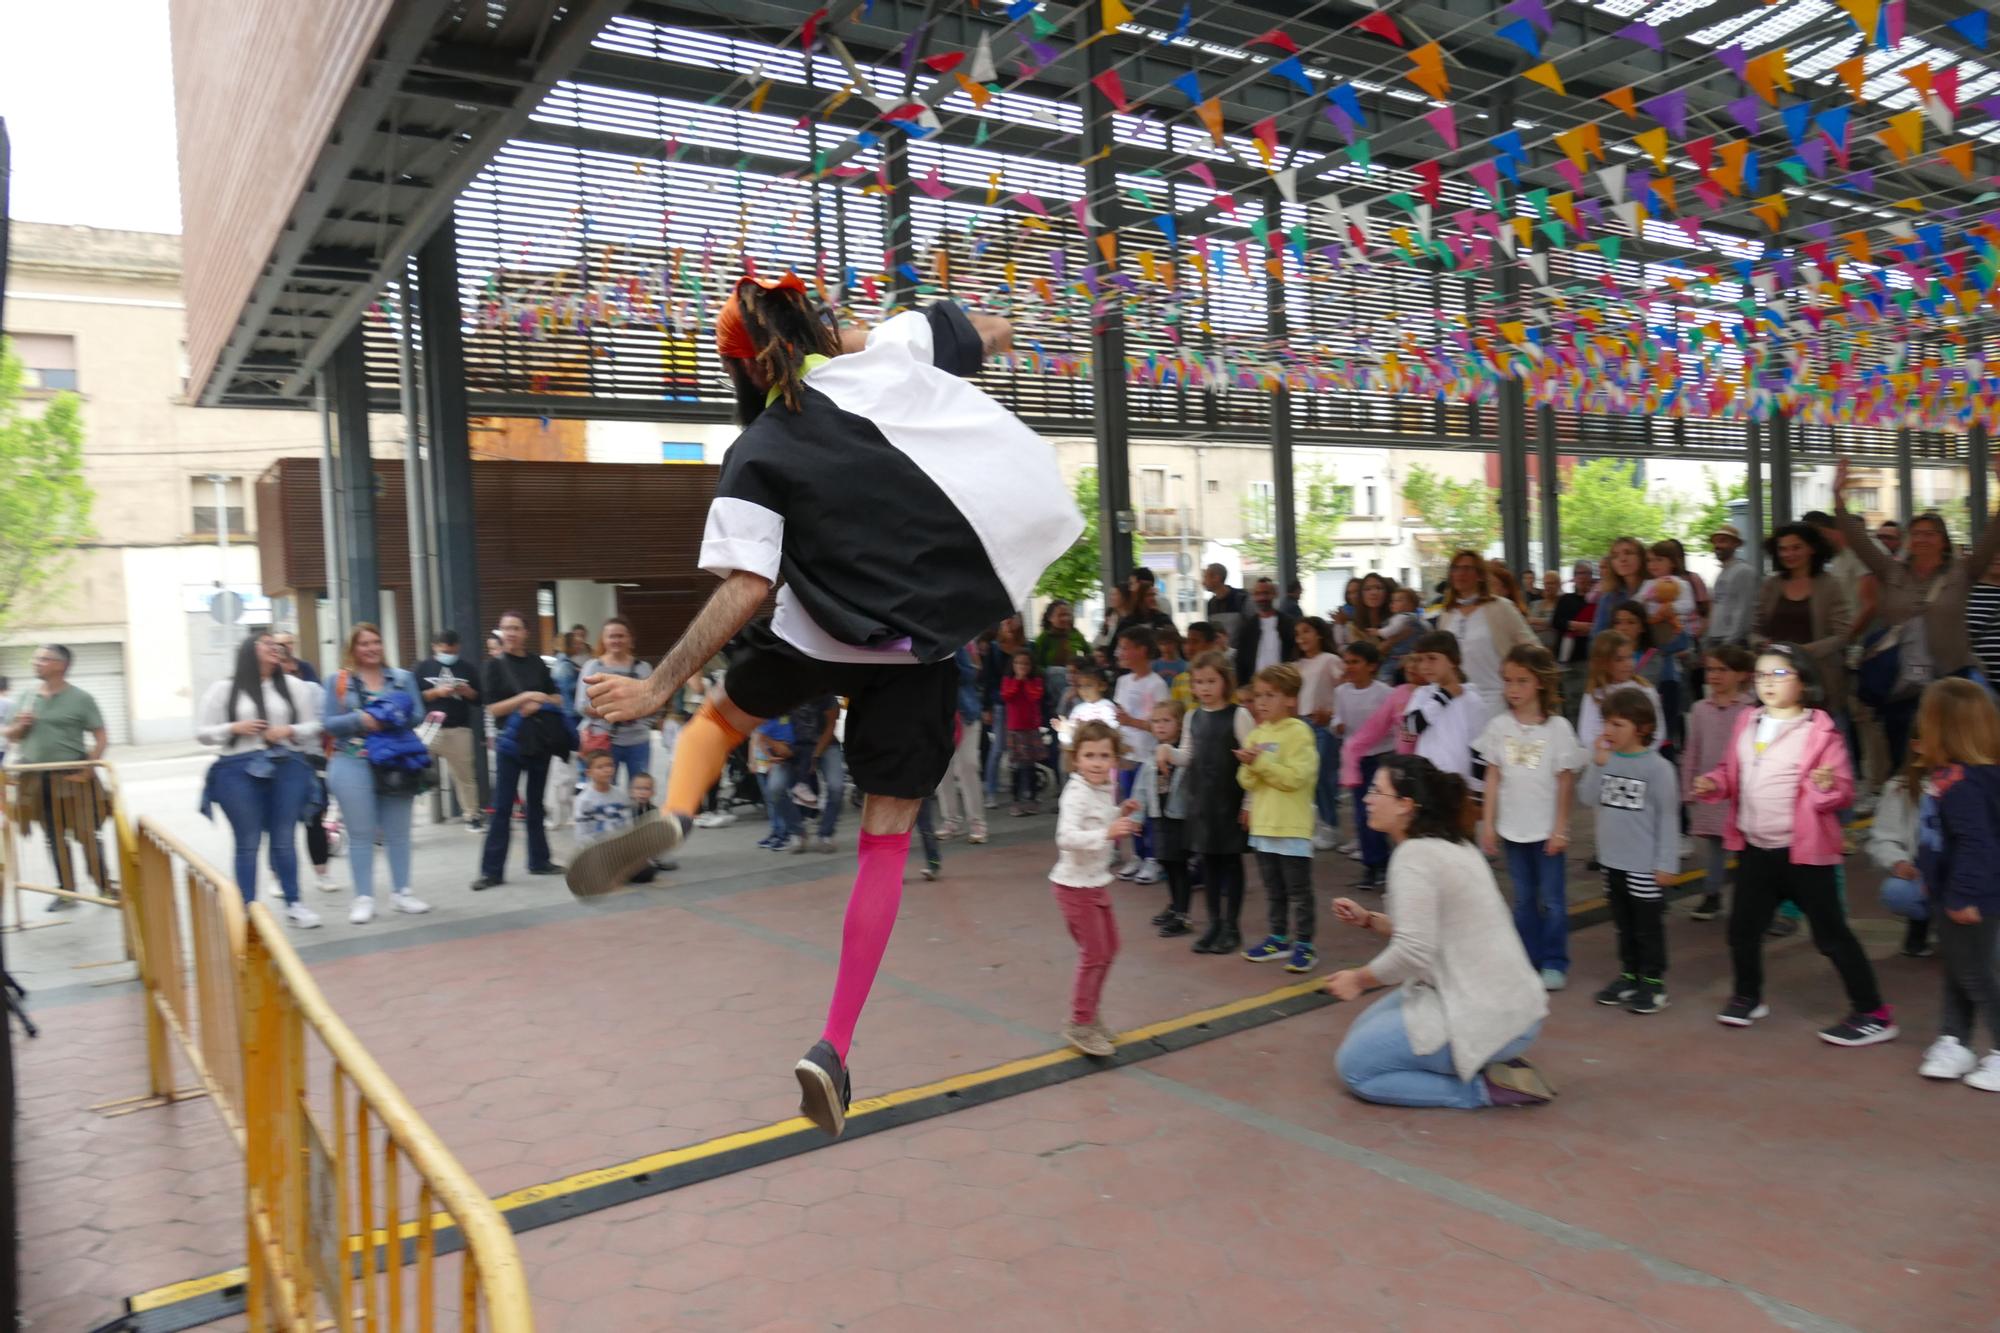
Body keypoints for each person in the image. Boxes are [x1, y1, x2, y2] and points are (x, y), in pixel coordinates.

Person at [578, 273, 1078, 1137]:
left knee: (716, 722)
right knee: (883, 845)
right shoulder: (893, 354)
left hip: (814, 631)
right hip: (916, 641)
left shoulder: (761, 447)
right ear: (817, 328)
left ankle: (679, 814)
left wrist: (658, 684)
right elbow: (987, 330)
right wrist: (989, 331)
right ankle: (834, 1044)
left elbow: (747, 584)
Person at [1692, 644, 1896, 1045]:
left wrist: (1826, 787)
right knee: (1742, 930)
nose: (1768, 682)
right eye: (1762, 675)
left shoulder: (1819, 731)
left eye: (1779, 674)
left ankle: (1874, 1012)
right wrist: (1715, 783)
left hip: (1804, 854)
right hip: (1755, 850)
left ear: (1803, 682)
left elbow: (1842, 790)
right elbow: (1730, 771)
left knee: (1831, 935)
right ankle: (1748, 996)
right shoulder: (1747, 722)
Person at [1326, 756, 1554, 1109]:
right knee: (1362, 1036)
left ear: (1405, 806)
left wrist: (1358, 979)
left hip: (1485, 1010)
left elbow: (1413, 952)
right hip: (1507, 1005)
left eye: (1376, 791)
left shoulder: (1414, 857)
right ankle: (1487, 1062)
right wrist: (1370, 919)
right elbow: (1426, 933)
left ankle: (1484, 1089)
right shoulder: (1452, 845)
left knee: (1355, 1068)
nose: (1367, 798)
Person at [1836, 458, 2000, 767]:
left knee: (1960, 753)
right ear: (1909, 541)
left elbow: (1993, 536)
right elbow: (1858, 543)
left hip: (1953, 679)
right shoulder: (1891, 571)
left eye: (1930, 533)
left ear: (1943, 542)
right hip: (1903, 684)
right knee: (1906, 755)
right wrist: (1839, 500)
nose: (1922, 538)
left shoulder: (1963, 572)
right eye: (1917, 533)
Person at [1905, 679, 2000, 1089]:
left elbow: (1977, 844)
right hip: (1952, 891)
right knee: (1959, 969)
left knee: (1976, 973)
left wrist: (1962, 893)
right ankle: (1955, 1040)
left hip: (1969, 896)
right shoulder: (1954, 778)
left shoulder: (1963, 786)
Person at [1476, 645, 1587, 993]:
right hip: (1513, 830)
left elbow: (1565, 781)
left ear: (1540, 683)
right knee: (1523, 899)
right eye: (1508, 681)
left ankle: (1554, 961)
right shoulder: (1498, 727)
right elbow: (1492, 777)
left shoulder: (1558, 729)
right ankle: (1527, 957)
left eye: (1522, 681)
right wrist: (1488, 823)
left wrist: (1560, 828)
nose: (1513, 689)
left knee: (1552, 900)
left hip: (1545, 832)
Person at [196, 632, 324, 923]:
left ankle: (294, 903)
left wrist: (289, 731)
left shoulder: (294, 686)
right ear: (248, 650)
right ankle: (247, 909)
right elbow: (202, 732)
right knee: (248, 840)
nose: (275, 649)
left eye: (277, 646)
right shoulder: (223, 689)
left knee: (284, 837)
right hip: (237, 769)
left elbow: (314, 726)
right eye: (267, 643)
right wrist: (234, 727)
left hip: (286, 765)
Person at [322, 625, 433, 924]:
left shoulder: (402, 678)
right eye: (364, 643)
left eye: (376, 642)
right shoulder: (339, 681)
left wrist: (390, 716)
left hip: (396, 760)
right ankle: (363, 898)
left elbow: (417, 715)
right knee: (361, 834)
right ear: (353, 648)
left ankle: (402, 893)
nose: (371, 648)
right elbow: (329, 723)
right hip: (350, 762)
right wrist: (361, 719)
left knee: (399, 833)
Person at [1581, 689, 1680, 1015]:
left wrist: (1666, 862)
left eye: (1618, 724)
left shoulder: (1658, 769)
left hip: (1643, 865)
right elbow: (1587, 797)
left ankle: (1653, 983)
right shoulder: (1607, 761)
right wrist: (1597, 765)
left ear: (1642, 727)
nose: (1608, 731)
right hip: (1613, 862)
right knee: (1623, 924)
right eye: (1606, 723)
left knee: (1647, 926)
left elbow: (1668, 817)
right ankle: (1629, 975)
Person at [1050, 720, 1139, 1058]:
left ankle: (1089, 1014)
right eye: (1089, 755)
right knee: (1094, 954)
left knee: (1110, 948)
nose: (1097, 762)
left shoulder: (1101, 789)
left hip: (1094, 882)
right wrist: (1108, 832)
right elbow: (1066, 837)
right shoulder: (1076, 792)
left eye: (1104, 755)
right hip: (1074, 887)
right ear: (1076, 760)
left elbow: (1100, 821)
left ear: (1114, 759)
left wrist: (1121, 812)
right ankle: (1079, 1022)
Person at [5, 645, 111, 908]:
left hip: (72, 775)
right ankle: (67, 891)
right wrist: (20, 726)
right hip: (35, 777)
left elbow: (100, 735)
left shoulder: (81, 698)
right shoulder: (26, 696)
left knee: (87, 833)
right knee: (53, 837)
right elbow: (12, 735)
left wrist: (90, 767)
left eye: (43, 659)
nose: (36, 662)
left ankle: (105, 888)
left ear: (60, 666)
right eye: (36, 658)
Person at [473, 610, 568, 891]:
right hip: (510, 744)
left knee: (536, 804)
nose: (511, 633)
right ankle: (491, 871)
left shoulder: (538, 663)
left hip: (539, 741)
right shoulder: (493, 667)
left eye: (516, 628)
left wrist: (540, 702)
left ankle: (539, 860)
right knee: (502, 806)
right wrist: (525, 697)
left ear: (526, 633)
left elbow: (558, 698)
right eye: (506, 629)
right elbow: (492, 708)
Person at [1236, 663, 1320, 973]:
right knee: (1274, 889)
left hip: (1292, 826)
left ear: (1290, 699)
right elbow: (1247, 782)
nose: (1262, 702)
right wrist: (1249, 764)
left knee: (1299, 891)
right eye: (1258, 695)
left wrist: (1261, 762)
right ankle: (1278, 938)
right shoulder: (1258, 733)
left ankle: (1306, 945)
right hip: (1263, 824)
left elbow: (1295, 778)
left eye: (1271, 695)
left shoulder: (1300, 733)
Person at [1176, 651, 1253, 954]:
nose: (1205, 688)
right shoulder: (1192, 716)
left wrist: (1249, 802)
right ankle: (1214, 924)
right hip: (1202, 802)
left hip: (1230, 799)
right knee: (1207, 863)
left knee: (1231, 862)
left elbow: (1251, 761)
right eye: (1199, 682)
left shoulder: (1239, 715)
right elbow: (1188, 755)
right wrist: (1167, 754)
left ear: (1225, 681)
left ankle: (1232, 926)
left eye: (1211, 681)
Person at [1682, 645, 1755, 921]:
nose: (1714, 675)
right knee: (1715, 845)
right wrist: (1688, 786)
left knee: (1746, 847)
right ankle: (1712, 894)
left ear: (1741, 675)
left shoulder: (1750, 709)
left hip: (1742, 790)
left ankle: (1750, 899)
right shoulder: (1700, 709)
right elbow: (1692, 749)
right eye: (1711, 669)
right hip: (1710, 788)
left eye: (1722, 670)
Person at [1753, 522, 1854, 723]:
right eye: (1783, 549)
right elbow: (1754, 630)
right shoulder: (1771, 585)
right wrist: (1762, 644)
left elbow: (1842, 634)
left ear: (1812, 548)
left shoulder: (1830, 584)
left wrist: (1804, 651)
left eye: (1796, 547)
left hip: (1820, 679)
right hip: (1777, 681)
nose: (1789, 554)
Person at [1435, 550, 1537, 710]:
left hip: (1494, 698)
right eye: (1456, 568)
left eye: (1467, 568)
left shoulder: (1501, 607)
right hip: (1457, 699)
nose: (1461, 573)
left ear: (1480, 575)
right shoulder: (1447, 613)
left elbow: (1532, 647)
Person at [1111, 626, 1170, 883]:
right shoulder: (1123, 681)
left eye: (1125, 647)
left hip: (1147, 757)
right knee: (1130, 807)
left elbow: (1162, 725)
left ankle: (1154, 858)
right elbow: (1117, 718)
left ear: (1141, 650)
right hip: (1126, 755)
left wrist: (1132, 721)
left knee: (1148, 808)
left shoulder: (1156, 685)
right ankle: (1136, 855)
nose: (1120, 653)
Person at [1399, 631, 1493, 792]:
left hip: (1459, 787)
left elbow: (1480, 750)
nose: (1424, 666)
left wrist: (1478, 793)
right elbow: (1410, 728)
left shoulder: (1472, 700)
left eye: (1432, 658)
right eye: (1420, 659)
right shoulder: (1422, 695)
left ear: (1453, 661)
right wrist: (1444, 696)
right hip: (1426, 784)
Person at [1333, 641, 1393, 888]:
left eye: (1355, 662)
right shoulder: (1342, 692)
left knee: (1378, 811)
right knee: (1361, 814)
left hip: (1381, 758)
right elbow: (1338, 718)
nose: (1350, 667)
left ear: (1372, 666)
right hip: (1356, 760)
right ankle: (1370, 865)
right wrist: (1336, 725)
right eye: (1347, 661)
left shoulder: (1385, 693)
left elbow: (1391, 724)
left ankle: (1383, 863)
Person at [415, 630, 483, 829]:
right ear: (434, 647)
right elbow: (414, 696)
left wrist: (468, 692)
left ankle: (472, 815)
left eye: (452, 651)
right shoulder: (423, 668)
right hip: (429, 726)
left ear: (458, 648)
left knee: (465, 776)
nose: (448, 654)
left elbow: (479, 699)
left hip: (458, 728)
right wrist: (436, 692)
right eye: (444, 650)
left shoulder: (467, 669)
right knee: (412, 765)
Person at [577, 618, 656, 788]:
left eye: (621, 636)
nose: (616, 640)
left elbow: (653, 704)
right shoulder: (592, 667)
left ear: (630, 639)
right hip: (604, 741)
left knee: (640, 791)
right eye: (611, 636)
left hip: (638, 741)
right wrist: (619, 711)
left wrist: (641, 717)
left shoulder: (643, 668)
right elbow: (582, 705)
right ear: (603, 640)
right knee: (604, 790)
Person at [1138, 700, 1193, 937]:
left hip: (1178, 818)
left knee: (1179, 865)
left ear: (1180, 725)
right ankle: (1174, 905)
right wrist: (1137, 816)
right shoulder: (1153, 754)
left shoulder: (1183, 754)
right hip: (1158, 817)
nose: (1160, 726)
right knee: (1167, 864)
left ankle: (1183, 914)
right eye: (1156, 721)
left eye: (1166, 721)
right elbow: (1141, 790)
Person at [1865, 768, 1931, 958]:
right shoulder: (1899, 787)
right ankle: (1921, 921)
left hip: (1969, 878)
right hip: (1923, 875)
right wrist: (1898, 862)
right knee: (1896, 891)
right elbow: (1882, 839)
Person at [1293, 615, 1344, 851]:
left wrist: (1333, 713)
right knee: (1309, 777)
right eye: (1298, 634)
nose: (1301, 637)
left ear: (1320, 634)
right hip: (1301, 725)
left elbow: (1344, 689)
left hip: (1322, 724)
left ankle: (1331, 826)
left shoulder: (1330, 660)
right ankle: (1320, 825)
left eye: (1307, 631)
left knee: (1322, 774)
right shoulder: (1297, 665)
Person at [1577, 630, 1663, 756]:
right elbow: (1586, 735)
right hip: (1605, 761)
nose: (1628, 664)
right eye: (1619, 659)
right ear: (1603, 663)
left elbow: (1657, 731)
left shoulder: (1646, 690)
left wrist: (1635, 754)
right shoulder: (1594, 695)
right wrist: (1609, 752)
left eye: (1630, 657)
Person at [1000, 648, 1046, 815]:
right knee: (1017, 766)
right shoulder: (1008, 680)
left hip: (1031, 728)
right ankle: (1016, 799)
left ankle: (1032, 798)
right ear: (1012, 665)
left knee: (1030, 765)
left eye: (1025, 663)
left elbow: (1035, 696)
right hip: (1015, 728)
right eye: (1018, 663)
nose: (1022, 666)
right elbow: (1006, 696)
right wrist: (1017, 681)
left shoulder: (1036, 680)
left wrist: (1024, 681)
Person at [1231, 577, 1298, 686]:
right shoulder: (1247, 628)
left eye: (1266, 593)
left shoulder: (1288, 624)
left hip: (1284, 686)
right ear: (1253, 597)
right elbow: (1241, 661)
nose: (1262, 598)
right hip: (1255, 688)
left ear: (1274, 594)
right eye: (1257, 594)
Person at [1705, 530, 1755, 649]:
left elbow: (1744, 607)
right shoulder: (1721, 573)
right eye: (1715, 542)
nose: (1717, 546)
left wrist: (1730, 642)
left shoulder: (1744, 571)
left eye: (1723, 541)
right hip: (1716, 637)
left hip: (1732, 641)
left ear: (1735, 544)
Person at [1591, 537, 1649, 634]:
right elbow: (1597, 637)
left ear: (1641, 557)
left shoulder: (1657, 588)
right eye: (1615, 556)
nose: (1622, 559)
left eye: (1628, 553)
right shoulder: (1608, 598)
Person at [1378, 586, 1425, 683]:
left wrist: (1377, 631)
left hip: (1403, 657)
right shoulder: (1418, 621)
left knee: (1385, 674)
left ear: (1411, 605)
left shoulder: (1406, 620)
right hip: (1400, 657)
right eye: (1393, 601)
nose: (1393, 603)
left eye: (1399, 600)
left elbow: (1389, 632)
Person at [1203, 562, 1247, 641]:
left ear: (1216, 578)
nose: (1203, 582)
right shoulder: (1210, 604)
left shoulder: (1242, 598)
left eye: (1205, 577)